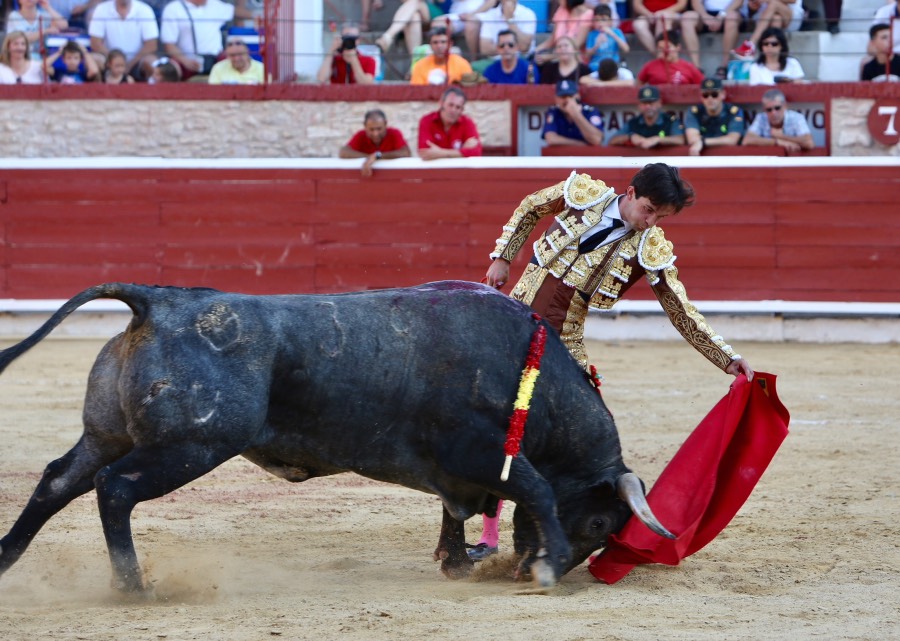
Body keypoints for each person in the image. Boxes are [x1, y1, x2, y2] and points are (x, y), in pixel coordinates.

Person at [473, 163, 754, 559]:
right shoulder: (581, 194)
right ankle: (487, 536)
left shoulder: (649, 248)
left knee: (577, 439)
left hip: (563, 343)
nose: (651, 222)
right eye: (649, 209)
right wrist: (503, 256)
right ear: (631, 191)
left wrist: (726, 358)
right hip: (510, 323)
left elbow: (680, 309)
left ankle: (564, 526)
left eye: (662, 217)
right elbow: (530, 207)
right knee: (493, 422)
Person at [159, 0, 252, 81]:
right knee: (169, 70)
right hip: (189, 60)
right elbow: (169, 45)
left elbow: (237, 12)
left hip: (216, 59)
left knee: (238, 59)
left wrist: (259, 16)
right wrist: (185, 61)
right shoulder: (173, 9)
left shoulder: (215, 5)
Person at [88, 0, 159, 81]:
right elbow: (95, 44)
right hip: (109, 61)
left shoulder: (145, 10)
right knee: (94, 59)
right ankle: (97, 91)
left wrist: (128, 65)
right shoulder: (101, 9)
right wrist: (115, 61)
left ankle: (152, 92)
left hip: (137, 62)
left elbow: (151, 45)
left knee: (152, 62)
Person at [631, 0, 702, 70]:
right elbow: (637, 5)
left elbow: (681, 4)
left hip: (672, 14)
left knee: (663, 17)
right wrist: (648, 14)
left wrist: (663, 12)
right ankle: (661, 59)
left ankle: (696, 68)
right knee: (638, 25)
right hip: (648, 14)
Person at [339, 109, 412, 177]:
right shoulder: (361, 135)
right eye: (371, 129)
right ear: (365, 126)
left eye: (379, 129)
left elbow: (406, 152)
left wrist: (377, 156)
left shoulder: (394, 133)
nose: (375, 134)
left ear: (385, 124)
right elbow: (344, 152)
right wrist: (370, 157)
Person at [608, 85, 686, 147]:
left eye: (651, 103)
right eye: (644, 103)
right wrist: (630, 137)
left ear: (659, 103)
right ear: (639, 105)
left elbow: (680, 140)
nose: (648, 106)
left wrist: (658, 139)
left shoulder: (670, 121)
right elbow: (612, 141)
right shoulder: (633, 122)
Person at [417, 86, 482, 159]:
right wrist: (461, 151)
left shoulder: (467, 123)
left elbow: (477, 152)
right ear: (441, 103)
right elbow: (424, 152)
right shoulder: (427, 121)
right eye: (450, 105)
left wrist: (440, 153)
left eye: (458, 107)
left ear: (462, 110)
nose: (453, 110)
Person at [684, 77, 745, 155]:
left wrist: (703, 142)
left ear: (723, 94)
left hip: (729, 157)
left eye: (714, 94)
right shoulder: (694, 112)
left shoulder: (734, 112)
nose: (710, 98)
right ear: (701, 97)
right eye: (705, 95)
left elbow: (732, 139)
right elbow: (692, 138)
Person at [742, 88, 814, 152]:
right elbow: (747, 140)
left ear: (785, 106)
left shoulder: (796, 117)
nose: (773, 113)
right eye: (769, 110)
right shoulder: (761, 118)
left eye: (777, 108)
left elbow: (809, 143)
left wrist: (781, 136)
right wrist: (777, 142)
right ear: (764, 110)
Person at [732, 0, 804, 60]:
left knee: (774, 3)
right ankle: (774, 59)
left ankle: (751, 44)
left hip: (791, 16)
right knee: (776, 19)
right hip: (767, 16)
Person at [690, 0, 744, 79]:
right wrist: (705, 16)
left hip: (730, 11)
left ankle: (724, 66)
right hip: (705, 14)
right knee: (687, 18)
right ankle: (696, 68)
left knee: (732, 17)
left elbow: (739, 2)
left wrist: (721, 15)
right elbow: (696, 2)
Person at [542, 79, 604, 147]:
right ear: (556, 99)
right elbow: (551, 139)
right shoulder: (553, 111)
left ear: (577, 96)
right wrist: (579, 144)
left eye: (570, 96)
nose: (567, 100)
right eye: (563, 97)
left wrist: (576, 115)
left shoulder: (589, 111)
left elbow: (596, 140)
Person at [468, 0, 537, 59]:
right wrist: (510, 48)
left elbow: (524, 47)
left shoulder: (528, 14)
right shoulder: (490, 15)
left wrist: (509, 20)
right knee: (475, 66)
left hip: (520, 60)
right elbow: (485, 49)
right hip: (495, 61)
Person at [375, 0, 447, 57]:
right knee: (414, 17)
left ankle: (388, 36)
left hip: (435, 14)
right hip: (412, 13)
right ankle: (415, 62)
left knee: (416, 2)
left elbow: (442, 1)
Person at [637, 30, 704, 86]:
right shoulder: (650, 66)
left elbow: (703, 86)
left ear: (678, 47)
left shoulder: (689, 67)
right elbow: (637, 87)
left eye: (668, 47)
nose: (665, 51)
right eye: (661, 48)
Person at [583, 4, 629, 72]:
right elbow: (587, 56)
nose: (600, 23)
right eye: (597, 20)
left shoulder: (616, 31)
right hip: (595, 66)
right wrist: (596, 45)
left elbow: (626, 49)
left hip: (613, 66)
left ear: (610, 21)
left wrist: (612, 34)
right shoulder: (592, 34)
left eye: (603, 19)